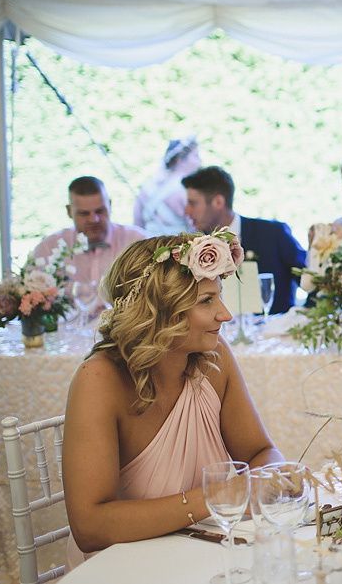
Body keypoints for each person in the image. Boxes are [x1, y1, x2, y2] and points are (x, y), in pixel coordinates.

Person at [62, 231, 283, 570]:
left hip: (203, 554)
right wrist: (218, 497)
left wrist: (262, 480)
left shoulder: (213, 358)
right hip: (124, 567)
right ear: (159, 311)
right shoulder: (99, 379)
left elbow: (262, 453)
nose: (225, 315)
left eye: (219, 297)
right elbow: (89, 527)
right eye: (206, 301)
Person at [182, 166, 306, 314]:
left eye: (193, 203)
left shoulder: (272, 233)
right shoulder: (195, 245)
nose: (186, 211)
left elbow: (311, 281)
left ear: (218, 202)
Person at [31, 176, 147, 297]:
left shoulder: (138, 242)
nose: (94, 219)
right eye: (84, 213)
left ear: (110, 205)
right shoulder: (48, 248)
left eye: (100, 211)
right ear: (69, 211)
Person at [133, 135, 201, 236]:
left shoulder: (146, 187)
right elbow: (198, 228)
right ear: (180, 161)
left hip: (147, 248)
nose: (199, 161)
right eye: (196, 156)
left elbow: (137, 225)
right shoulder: (186, 190)